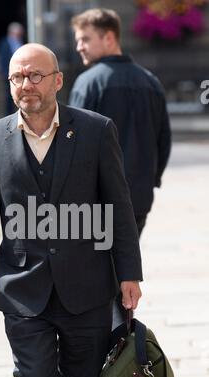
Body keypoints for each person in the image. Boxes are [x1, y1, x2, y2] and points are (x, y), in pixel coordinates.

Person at [0, 43, 142, 377]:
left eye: (36, 75)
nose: (27, 84)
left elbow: (119, 207)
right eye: (18, 77)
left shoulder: (96, 130)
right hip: (23, 290)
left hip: (89, 287)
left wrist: (129, 273)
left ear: (58, 80)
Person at [69, 8, 172, 236]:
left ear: (109, 37)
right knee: (128, 268)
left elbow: (72, 144)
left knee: (97, 269)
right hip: (139, 198)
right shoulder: (151, 82)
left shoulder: (87, 84)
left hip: (98, 201)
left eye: (85, 39)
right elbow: (164, 141)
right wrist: (150, 180)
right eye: (78, 41)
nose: (79, 47)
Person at [0, 22, 24, 115]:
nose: (19, 35)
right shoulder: (4, 43)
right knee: (9, 97)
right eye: (17, 33)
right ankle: (8, 116)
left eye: (20, 33)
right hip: (9, 75)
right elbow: (2, 59)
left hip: (21, 75)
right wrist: (4, 73)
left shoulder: (21, 42)